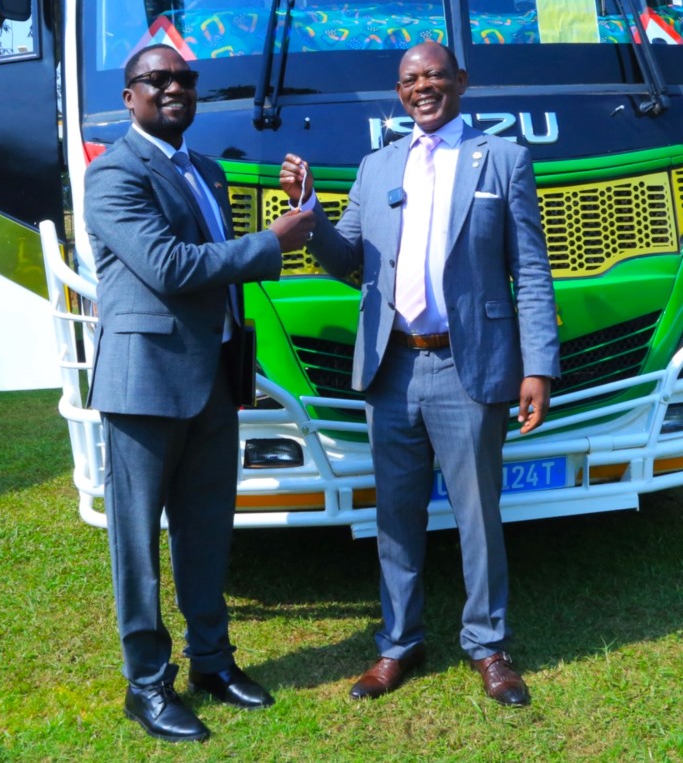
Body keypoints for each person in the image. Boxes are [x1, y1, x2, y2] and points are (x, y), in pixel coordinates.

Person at [278, 40, 560, 707]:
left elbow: (533, 273)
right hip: (393, 367)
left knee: (476, 517)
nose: (423, 87)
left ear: (460, 81)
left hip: (471, 367)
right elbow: (348, 261)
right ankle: (398, 645)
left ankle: (488, 646)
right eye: (411, 79)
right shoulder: (377, 168)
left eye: (435, 75)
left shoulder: (504, 159)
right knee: (396, 518)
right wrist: (311, 209)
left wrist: (539, 366)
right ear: (399, 91)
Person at [84, 43, 316, 743]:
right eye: (159, 80)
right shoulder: (114, 173)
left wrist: (292, 209)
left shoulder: (206, 172)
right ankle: (147, 686)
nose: (176, 88)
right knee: (138, 543)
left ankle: (212, 662)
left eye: (185, 79)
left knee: (208, 530)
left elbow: (217, 267)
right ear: (131, 97)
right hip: (144, 384)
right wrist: (273, 241)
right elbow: (170, 266)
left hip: (214, 378)